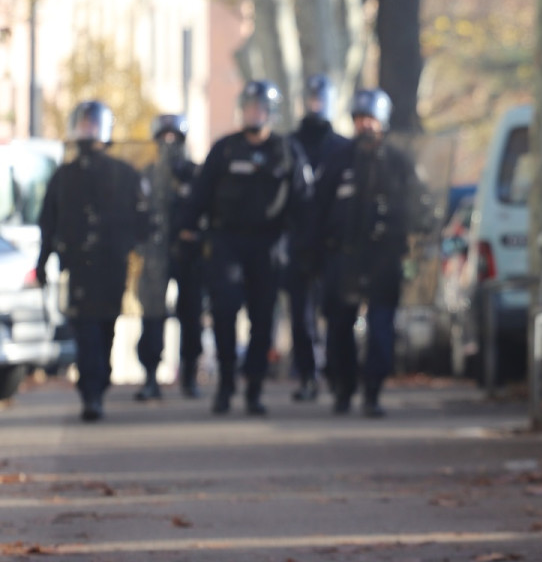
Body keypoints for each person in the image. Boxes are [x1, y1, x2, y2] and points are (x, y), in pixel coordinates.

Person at [179, 80, 312, 416]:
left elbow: (302, 202)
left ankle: (253, 387)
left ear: (271, 113)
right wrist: (187, 230)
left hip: (269, 244)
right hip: (227, 242)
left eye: (260, 108)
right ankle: (225, 383)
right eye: (249, 107)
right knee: (223, 311)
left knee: (263, 318)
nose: (254, 114)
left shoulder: (286, 151)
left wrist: (303, 244)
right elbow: (200, 195)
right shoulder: (224, 149)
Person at [36, 101, 150, 422]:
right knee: (85, 330)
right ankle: (91, 392)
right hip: (79, 267)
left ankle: (100, 382)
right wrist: (43, 261)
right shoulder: (65, 176)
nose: (87, 132)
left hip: (111, 265)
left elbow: (144, 221)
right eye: (82, 125)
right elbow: (48, 221)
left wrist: (133, 248)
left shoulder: (124, 174)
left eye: (91, 125)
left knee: (106, 326)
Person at [316, 88, 426, 417]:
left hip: (383, 258)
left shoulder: (398, 163)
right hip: (343, 257)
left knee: (381, 327)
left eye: (371, 120)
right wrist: (314, 252)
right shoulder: (338, 159)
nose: (365, 126)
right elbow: (318, 208)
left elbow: (419, 207)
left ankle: (373, 390)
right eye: (360, 120)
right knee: (339, 327)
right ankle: (343, 388)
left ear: (383, 122)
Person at [284, 74, 348, 402]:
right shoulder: (288, 145)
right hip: (298, 242)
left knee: (336, 311)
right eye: (311, 99)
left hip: (333, 244)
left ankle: (337, 374)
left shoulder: (342, 148)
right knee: (301, 315)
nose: (316, 105)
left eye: (321, 100)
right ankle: (307, 374)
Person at [134, 113, 205, 401]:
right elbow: (137, 214)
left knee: (192, 315)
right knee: (152, 313)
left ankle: (189, 374)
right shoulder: (148, 176)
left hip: (189, 255)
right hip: (156, 254)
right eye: (164, 137)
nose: (169, 143)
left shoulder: (196, 174)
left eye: (175, 137)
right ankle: (151, 375)